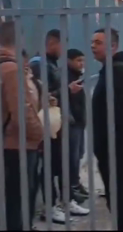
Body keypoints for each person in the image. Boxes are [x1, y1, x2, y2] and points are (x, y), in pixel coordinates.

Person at [32, 30, 88, 223]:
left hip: (58, 124)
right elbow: (41, 96)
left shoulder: (50, 64)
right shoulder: (39, 64)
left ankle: (65, 201)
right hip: (48, 125)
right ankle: (49, 208)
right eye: (62, 45)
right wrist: (68, 89)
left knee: (61, 165)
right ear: (53, 43)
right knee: (48, 167)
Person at [91, 28, 123, 230]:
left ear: (112, 46)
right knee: (118, 198)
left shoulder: (117, 72)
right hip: (111, 148)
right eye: (92, 42)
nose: (93, 46)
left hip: (116, 148)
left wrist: (116, 144)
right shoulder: (111, 70)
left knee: (120, 199)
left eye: (98, 42)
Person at [0, 21, 44, 230]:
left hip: (10, 144)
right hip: (18, 145)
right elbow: (22, 113)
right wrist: (40, 135)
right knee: (20, 205)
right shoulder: (11, 69)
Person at [67, 49, 90, 202]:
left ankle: (76, 184)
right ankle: (72, 187)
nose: (81, 63)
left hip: (80, 121)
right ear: (69, 61)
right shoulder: (67, 78)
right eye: (78, 60)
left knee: (79, 154)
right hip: (73, 123)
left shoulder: (77, 76)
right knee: (73, 157)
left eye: (83, 60)